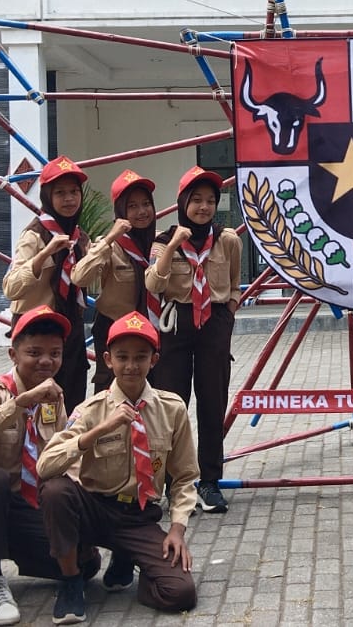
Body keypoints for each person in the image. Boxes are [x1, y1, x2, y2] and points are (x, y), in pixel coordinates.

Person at [37, 311, 199, 623]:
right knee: (56, 491)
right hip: (94, 508)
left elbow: (185, 477)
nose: (131, 366)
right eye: (122, 357)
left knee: (180, 593)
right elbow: (45, 466)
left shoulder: (172, 409)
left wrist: (178, 529)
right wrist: (98, 431)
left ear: (154, 360)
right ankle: (71, 581)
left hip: (138, 515)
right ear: (108, 360)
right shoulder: (91, 410)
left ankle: (129, 558)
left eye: (140, 357)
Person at [0, 305, 101, 625]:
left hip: (27, 506)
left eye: (55, 353)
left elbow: (63, 453)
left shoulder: (54, 396)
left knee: (85, 564)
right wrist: (19, 404)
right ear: (13, 354)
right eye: (34, 353)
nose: (46, 361)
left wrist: (78, 511)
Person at [145, 165, 241, 514]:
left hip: (214, 323)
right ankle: (174, 484)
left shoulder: (227, 240)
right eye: (196, 200)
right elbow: (153, 284)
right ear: (183, 202)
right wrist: (174, 244)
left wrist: (228, 313)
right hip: (176, 325)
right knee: (172, 405)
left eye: (210, 201)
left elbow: (234, 283)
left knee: (213, 404)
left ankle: (210, 482)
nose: (203, 207)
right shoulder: (162, 241)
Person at [4, 155, 92, 409]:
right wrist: (45, 254)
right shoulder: (34, 235)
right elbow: (11, 288)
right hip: (36, 332)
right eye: (60, 193)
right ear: (47, 196)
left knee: (72, 400)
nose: (69, 199)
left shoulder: (81, 238)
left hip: (71, 330)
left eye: (74, 192)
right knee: (37, 405)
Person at [73, 169, 163, 392]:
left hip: (156, 331)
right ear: (121, 211)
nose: (142, 211)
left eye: (146, 204)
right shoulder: (109, 245)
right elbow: (80, 278)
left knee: (155, 394)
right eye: (132, 206)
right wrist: (111, 237)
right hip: (114, 330)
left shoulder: (163, 242)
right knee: (110, 395)